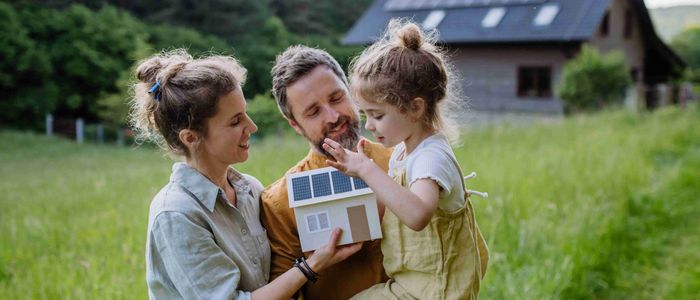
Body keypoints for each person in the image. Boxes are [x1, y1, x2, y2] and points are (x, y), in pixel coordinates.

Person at [131, 49, 361, 300]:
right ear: (191, 138)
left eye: (246, 114)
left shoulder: (251, 190)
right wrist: (311, 266)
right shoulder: (176, 214)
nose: (251, 127)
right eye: (235, 121)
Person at [322, 20, 489, 299]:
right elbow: (394, 204)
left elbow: (417, 215)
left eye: (378, 115)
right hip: (411, 285)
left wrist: (366, 169)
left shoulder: (430, 158)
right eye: (366, 115)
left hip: (437, 290)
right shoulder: (405, 149)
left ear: (414, 108)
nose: (370, 126)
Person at [261, 45, 393, 299]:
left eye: (336, 98)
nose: (333, 116)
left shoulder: (401, 159)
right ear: (295, 126)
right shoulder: (280, 202)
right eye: (313, 112)